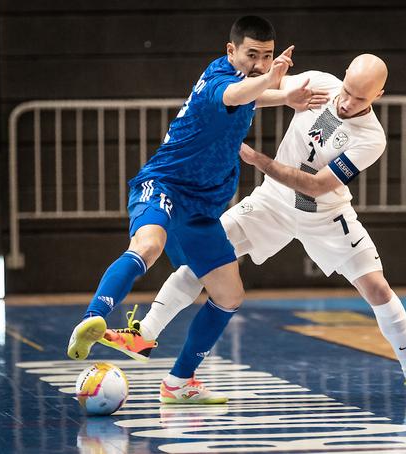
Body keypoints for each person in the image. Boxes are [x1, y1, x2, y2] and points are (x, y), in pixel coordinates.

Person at [104, 54, 406, 400]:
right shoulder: (322, 86)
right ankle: (144, 334)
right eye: (348, 90)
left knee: (378, 289)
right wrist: (270, 79)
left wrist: (260, 161)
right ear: (343, 77)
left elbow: (315, 186)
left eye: (360, 98)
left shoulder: (371, 138)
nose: (347, 101)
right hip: (272, 201)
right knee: (203, 261)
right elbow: (262, 90)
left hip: (324, 214)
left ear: (378, 96)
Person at [66, 15, 329, 405]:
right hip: (166, 184)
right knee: (149, 245)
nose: (259, 62)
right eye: (251, 55)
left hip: (204, 205)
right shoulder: (220, 80)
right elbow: (239, 95)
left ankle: (179, 383)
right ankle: (91, 319)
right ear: (231, 51)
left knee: (229, 294)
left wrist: (284, 97)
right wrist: (272, 79)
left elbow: (251, 96)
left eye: (267, 55)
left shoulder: (246, 82)